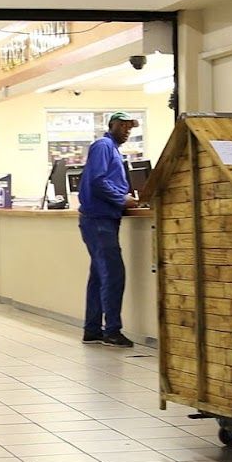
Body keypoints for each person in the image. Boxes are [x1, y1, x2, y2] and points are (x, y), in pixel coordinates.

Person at [78, 111, 140, 348]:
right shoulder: (103, 146)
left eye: (129, 127)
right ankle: (112, 330)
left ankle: (92, 329)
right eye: (123, 126)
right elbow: (97, 180)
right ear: (111, 124)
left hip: (103, 219)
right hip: (98, 219)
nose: (127, 130)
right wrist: (121, 199)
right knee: (114, 274)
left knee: (99, 275)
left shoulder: (112, 148)